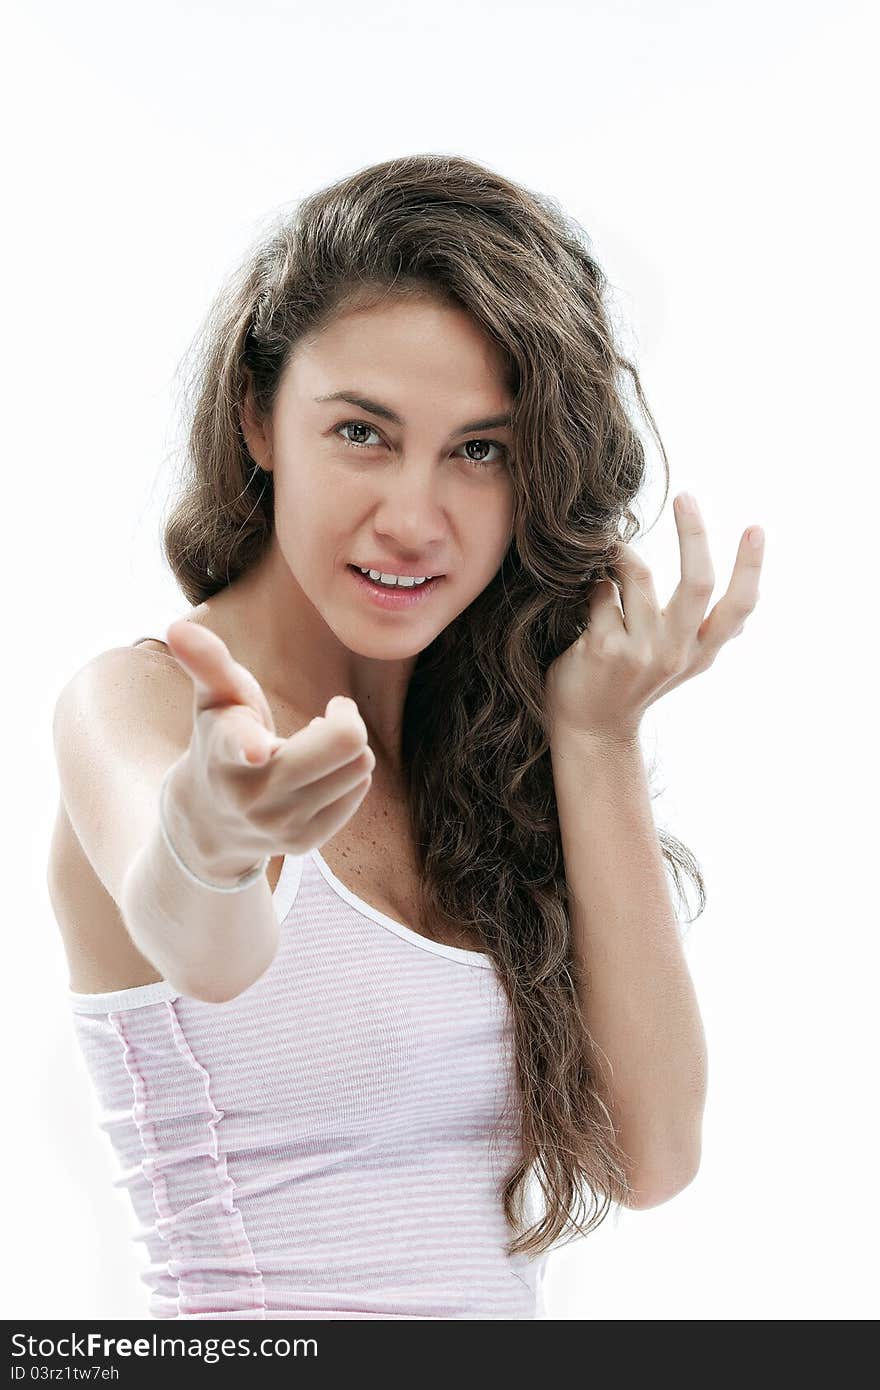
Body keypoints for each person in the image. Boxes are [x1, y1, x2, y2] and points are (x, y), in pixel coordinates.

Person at [49, 153, 756, 1320]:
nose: (415, 519)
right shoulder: (140, 706)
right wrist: (209, 841)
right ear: (258, 418)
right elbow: (205, 948)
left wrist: (596, 734)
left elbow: (654, 1151)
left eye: (480, 449)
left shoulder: (481, 764)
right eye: (364, 434)